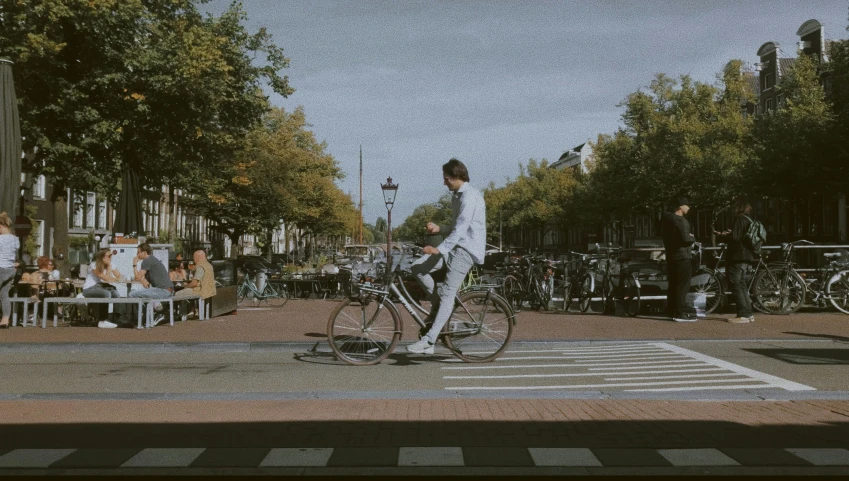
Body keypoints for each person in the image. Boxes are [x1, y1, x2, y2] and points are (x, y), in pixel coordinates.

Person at [407, 158, 486, 354]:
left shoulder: (470, 197)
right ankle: (437, 307)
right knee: (418, 267)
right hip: (454, 247)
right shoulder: (457, 196)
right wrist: (439, 228)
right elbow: (455, 227)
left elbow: (461, 229)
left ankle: (430, 340)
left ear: (457, 176)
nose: (444, 182)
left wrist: (438, 249)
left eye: (446, 178)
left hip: (466, 250)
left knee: (449, 293)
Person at [714, 197, 758, 324]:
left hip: (737, 256)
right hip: (748, 257)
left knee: (736, 285)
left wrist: (723, 236)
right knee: (742, 285)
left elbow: (735, 239)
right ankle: (748, 314)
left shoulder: (739, 219)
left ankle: (743, 314)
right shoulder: (750, 220)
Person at [661, 195, 696, 322]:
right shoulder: (682, 221)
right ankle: (680, 313)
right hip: (682, 256)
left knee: (673, 285)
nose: (689, 207)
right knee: (683, 286)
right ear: (681, 207)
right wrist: (692, 237)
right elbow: (686, 239)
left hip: (671, 256)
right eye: (687, 205)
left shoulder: (666, 221)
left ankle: (671, 311)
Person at [129, 243, 174, 326]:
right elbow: (146, 284)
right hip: (168, 290)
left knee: (132, 294)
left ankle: (153, 314)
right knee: (144, 294)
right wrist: (143, 280)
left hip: (163, 291)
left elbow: (137, 277)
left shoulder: (147, 260)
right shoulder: (153, 260)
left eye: (138, 252)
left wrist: (134, 264)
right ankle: (151, 315)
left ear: (144, 252)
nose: (137, 254)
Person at [82, 248, 128, 328]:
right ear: (102, 256)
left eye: (111, 255)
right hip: (89, 288)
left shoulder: (110, 263)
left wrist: (112, 269)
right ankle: (102, 320)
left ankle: (119, 317)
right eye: (109, 255)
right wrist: (109, 267)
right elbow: (105, 278)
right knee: (106, 293)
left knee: (115, 293)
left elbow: (119, 276)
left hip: (101, 287)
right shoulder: (94, 265)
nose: (110, 257)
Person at [174, 250, 216, 319]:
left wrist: (186, 286)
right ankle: (191, 311)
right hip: (209, 290)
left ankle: (181, 315)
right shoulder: (209, 265)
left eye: (194, 258)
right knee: (186, 293)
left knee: (178, 294)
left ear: (197, 257)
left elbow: (194, 283)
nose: (194, 260)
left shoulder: (200, 267)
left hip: (200, 291)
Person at [0, 212, 20, 329]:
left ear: (1, 226)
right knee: (4, 295)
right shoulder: (15, 239)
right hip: (10, 270)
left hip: (0, 268)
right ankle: (5, 320)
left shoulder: (0, 239)